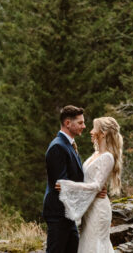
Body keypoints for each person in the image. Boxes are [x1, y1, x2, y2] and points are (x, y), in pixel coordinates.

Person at [56, 116, 123, 253]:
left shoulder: (107, 157)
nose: (91, 131)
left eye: (94, 128)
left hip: (98, 209)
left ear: (103, 133)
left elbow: (97, 186)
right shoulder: (97, 153)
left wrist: (68, 186)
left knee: (96, 245)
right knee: (88, 244)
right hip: (90, 208)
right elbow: (88, 180)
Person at [43, 105, 86, 253]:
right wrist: (92, 190)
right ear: (68, 123)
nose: (84, 126)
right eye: (80, 123)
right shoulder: (58, 147)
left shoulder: (69, 144)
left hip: (68, 212)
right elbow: (62, 185)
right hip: (58, 212)